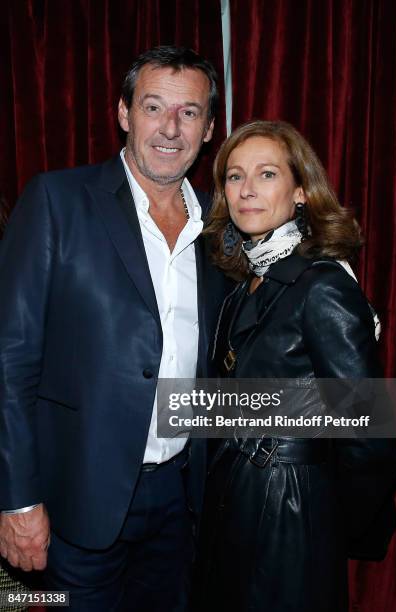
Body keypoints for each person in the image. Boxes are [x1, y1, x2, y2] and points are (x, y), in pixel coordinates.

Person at [0, 45, 229, 611]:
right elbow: (9, 361)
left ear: (209, 128)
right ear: (124, 114)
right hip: (74, 505)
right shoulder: (57, 201)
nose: (170, 128)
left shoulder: (221, 225)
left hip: (182, 502)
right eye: (153, 107)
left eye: (189, 112)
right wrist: (16, 500)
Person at [194, 120, 396, 612]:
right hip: (231, 506)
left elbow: (369, 436)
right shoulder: (244, 284)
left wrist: (328, 520)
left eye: (266, 175)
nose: (246, 191)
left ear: (302, 191)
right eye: (234, 177)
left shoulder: (323, 285)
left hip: (291, 511)